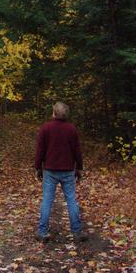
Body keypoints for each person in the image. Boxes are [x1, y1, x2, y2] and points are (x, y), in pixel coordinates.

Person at [34, 102, 86, 243]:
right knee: (71, 200)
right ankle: (76, 232)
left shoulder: (46, 128)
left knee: (47, 200)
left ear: (54, 113)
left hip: (50, 170)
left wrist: (38, 167)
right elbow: (77, 150)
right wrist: (79, 168)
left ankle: (43, 231)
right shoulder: (71, 129)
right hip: (68, 170)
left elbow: (40, 150)